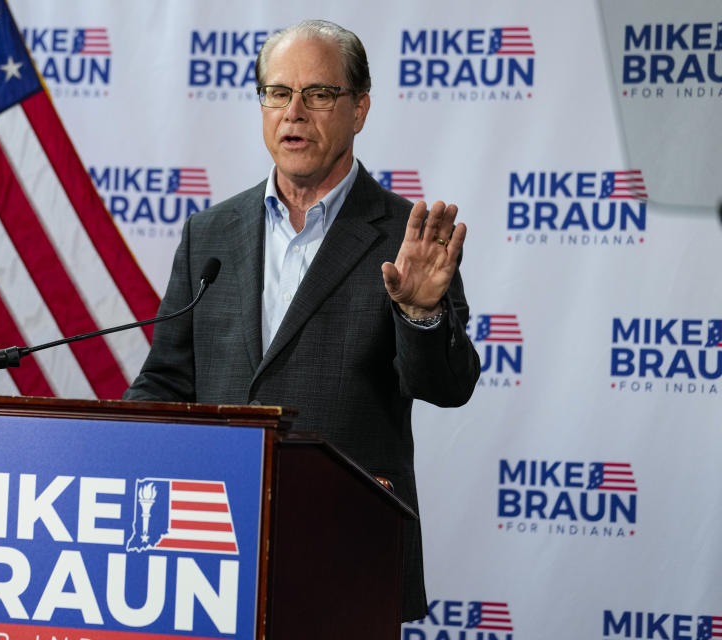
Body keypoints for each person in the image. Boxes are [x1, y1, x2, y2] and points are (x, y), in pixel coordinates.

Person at [123, 19, 480, 622]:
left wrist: (420, 313)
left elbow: (448, 386)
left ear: (359, 108)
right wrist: (108, 451)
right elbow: (166, 381)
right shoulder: (209, 233)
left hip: (348, 548)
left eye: (318, 94)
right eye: (277, 93)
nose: (294, 112)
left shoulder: (406, 237)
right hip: (212, 553)